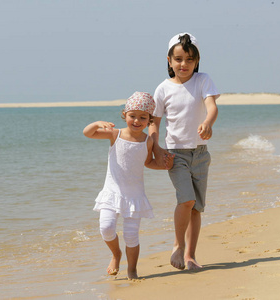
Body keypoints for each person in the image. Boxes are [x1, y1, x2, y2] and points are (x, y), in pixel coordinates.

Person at [148, 32, 220, 271]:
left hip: (201, 153)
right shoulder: (162, 89)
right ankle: (177, 246)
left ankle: (190, 255)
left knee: (196, 207)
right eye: (178, 59)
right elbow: (154, 123)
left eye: (190, 59)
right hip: (175, 154)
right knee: (186, 199)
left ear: (197, 61)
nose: (184, 64)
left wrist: (208, 122)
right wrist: (156, 148)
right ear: (169, 60)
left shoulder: (203, 80)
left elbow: (212, 107)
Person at [83, 92, 173, 279]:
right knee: (106, 228)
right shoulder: (115, 134)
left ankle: (132, 269)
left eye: (143, 117)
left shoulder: (147, 141)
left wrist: (166, 165)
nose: (137, 120)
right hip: (112, 192)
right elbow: (88, 133)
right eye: (133, 116)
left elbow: (148, 162)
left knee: (131, 236)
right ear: (125, 115)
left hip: (134, 196)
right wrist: (98, 123)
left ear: (149, 120)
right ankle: (116, 254)